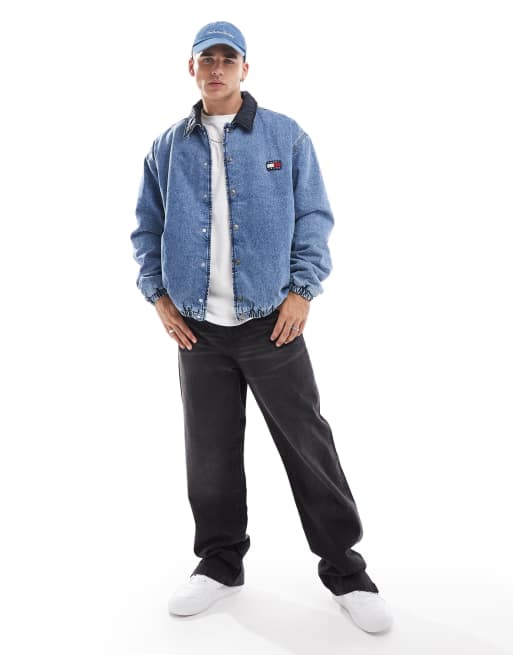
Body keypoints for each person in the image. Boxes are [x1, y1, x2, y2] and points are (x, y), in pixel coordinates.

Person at [130, 20, 393, 633]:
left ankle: (346, 570)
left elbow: (314, 217)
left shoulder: (285, 135)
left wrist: (302, 291)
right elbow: (146, 228)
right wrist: (159, 298)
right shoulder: (167, 147)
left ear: (245, 69)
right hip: (198, 331)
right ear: (191, 68)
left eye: (228, 59)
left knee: (308, 445)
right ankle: (220, 564)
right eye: (207, 60)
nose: (217, 69)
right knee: (210, 451)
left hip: (272, 324)